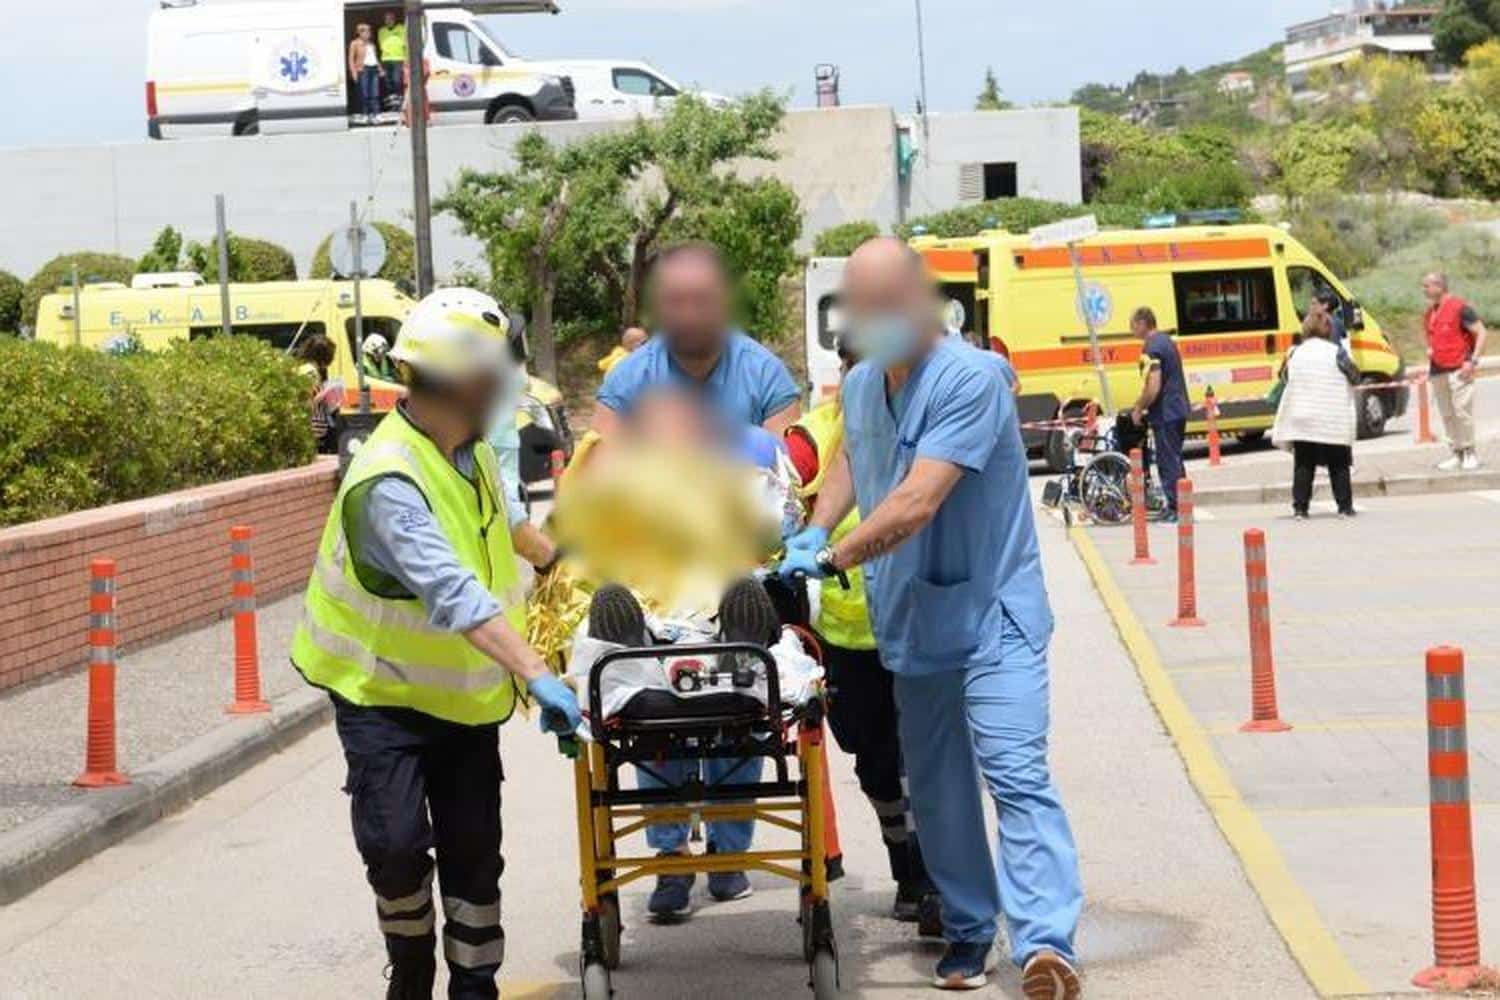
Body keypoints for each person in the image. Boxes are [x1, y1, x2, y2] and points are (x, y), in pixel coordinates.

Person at [781, 238, 1082, 997]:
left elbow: (917, 499)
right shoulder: (862, 385)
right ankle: (971, 927)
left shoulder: (970, 380)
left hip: (992, 615)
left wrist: (835, 556)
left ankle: (1046, 944)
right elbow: (855, 456)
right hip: (915, 618)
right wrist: (817, 525)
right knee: (940, 786)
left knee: (1014, 770)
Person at [290, 288, 582, 1000]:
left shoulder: (470, 451)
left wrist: (565, 564)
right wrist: (537, 672)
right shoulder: (388, 479)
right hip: (381, 695)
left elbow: (508, 522)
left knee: (475, 858)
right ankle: (413, 965)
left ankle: (475, 987)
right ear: (466, 384)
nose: (507, 392)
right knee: (395, 849)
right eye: (499, 378)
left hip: (464, 701)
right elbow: (453, 591)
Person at [783, 336, 939, 936]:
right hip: (843, 636)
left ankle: (931, 880)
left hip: (914, 621)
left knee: (920, 755)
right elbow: (775, 498)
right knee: (873, 763)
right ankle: (905, 862)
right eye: (853, 366)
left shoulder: (919, 418)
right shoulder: (811, 438)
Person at [594, 242, 802, 437]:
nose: (689, 316)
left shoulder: (766, 376)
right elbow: (598, 460)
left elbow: (785, 460)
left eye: (703, 300)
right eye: (676, 301)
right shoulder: (625, 382)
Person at [1272, 311, 1359, 519]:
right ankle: (1344, 507)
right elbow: (1355, 376)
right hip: (1332, 415)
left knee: (1304, 463)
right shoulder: (1337, 352)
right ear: (1328, 329)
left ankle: (1300, 508)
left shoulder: (1295, 353)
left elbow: (1284, 377)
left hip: (1303, 416)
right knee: (1338, 463)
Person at [1422, 272, 1488, 472]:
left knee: (1462, 413)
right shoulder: (1430, 313)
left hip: (1459, 369)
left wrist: (1473, 361)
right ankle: (1456, 453)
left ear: (1439, 286)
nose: (1424, 290)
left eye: (1426, 286)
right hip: (1438, 370)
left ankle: (1470, 452)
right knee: (1447, 415)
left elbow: (1481, 332)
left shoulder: (1460, 308)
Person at [1128, 307, 1189, 521]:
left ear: (1142, 323)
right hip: (1177, 408)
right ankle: (1183, 505)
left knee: (1167, 461)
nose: (1132, 330)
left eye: (1133, 325)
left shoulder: (1152, 348)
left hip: (1165, 412)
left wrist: (1138, 408)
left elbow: (1153, 385)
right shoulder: (1166, 341)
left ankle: (1176, 508)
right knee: (1175, 458)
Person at [297, 333, 339, 453]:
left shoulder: (306, 369)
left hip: (313, 429)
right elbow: (306, 401)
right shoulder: (310, 373)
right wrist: (326, 394)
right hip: (314, 429)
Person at [348, 23, 382, 125]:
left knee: (375, 93)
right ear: (360, 33)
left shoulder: (371, 44)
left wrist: (380, 69)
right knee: (365, 93)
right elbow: (351, 59)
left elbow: (375, 57)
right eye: (365, 31)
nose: (368, 33)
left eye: (369, 31)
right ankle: (365, 114)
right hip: (363, 70)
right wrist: (353, 72)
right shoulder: (355, 43)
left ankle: (376, 114)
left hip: (373, 69)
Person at [378, 11, 408, 113]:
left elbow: (405, 45)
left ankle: (399, 103)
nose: (389, 21)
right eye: (386, 19)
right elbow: (382, 45)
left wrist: (406, 59)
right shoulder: (381, 31)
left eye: (391, 18)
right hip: (385, 59)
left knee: (397, 81)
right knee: (387, 83)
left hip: (398, 59)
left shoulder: (401, 28)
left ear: (394, 19)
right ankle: (391, 105)